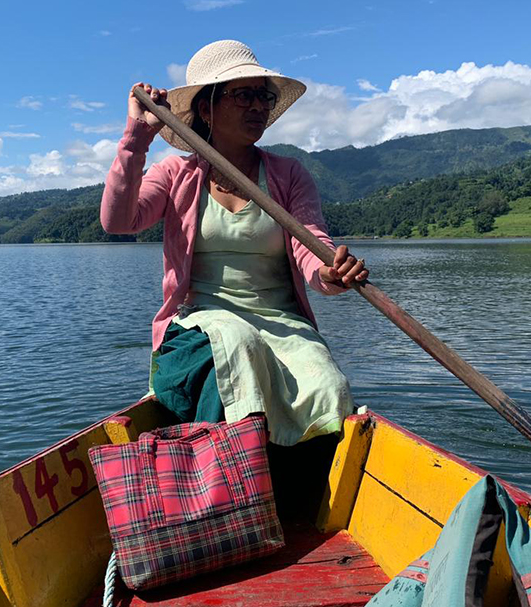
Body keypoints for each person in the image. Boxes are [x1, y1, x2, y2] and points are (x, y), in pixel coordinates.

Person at [102, 40, 368, 509]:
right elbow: (118, 221)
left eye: (262, 96)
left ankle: (298, 494)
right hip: (200, 325)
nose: (257, 107)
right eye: (241, 95)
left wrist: (331, 270)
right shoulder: (175, 174)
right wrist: (135, 137)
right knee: (237, 344)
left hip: (281, 324)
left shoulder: (288, 175)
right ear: (207, 107)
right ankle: (232, 494)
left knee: (329, 386)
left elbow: (310, 243)